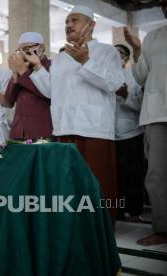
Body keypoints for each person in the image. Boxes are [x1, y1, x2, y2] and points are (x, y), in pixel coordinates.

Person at [29, 5, 125, 221]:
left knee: (97, 182)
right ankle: (74, 226)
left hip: (94, 128)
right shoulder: (61, 57)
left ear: (91, 25)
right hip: (64, 126)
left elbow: (114, 83)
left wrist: (86, 61)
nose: (69, 25)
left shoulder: (107, 51)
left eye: (75, 20)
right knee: (68, 182)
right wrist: (37, 67)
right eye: (66, 22)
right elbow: (51, 91)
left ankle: (103, 227)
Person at [124, 0, 167, 245]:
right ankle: (162, 228)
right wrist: (137, 49)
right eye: (163, 3)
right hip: (157, 112)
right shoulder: (153, 36)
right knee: (158, 175)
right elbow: (140, 76)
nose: (165, 6)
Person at [113, 44, 145, 223]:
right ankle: (116, 211)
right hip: (109, 135)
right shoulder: (103, 77)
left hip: (131, 134)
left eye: (119, 54)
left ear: (125, 59)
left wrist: (125, 95)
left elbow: (139, 106)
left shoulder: (133, 77)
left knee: (133, 175)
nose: (115, 56)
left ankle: (134, 212)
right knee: (115, 175)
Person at [2, 32, 52, 141]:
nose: (23, 54)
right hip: (19, 132)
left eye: (27, 48)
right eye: (20, 51)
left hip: (42, 131)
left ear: (41, 48)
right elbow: (8, 101)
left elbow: (47, 93)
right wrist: (15, 74)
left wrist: (23, 72)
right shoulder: (22, 67)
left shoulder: (52, 66)